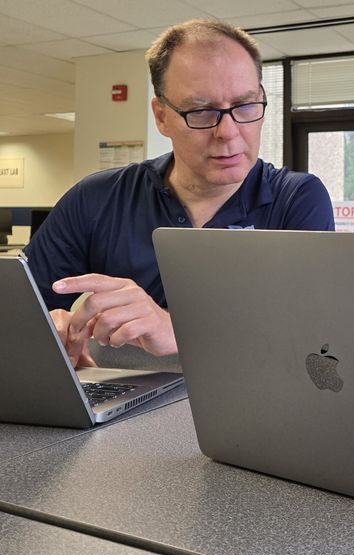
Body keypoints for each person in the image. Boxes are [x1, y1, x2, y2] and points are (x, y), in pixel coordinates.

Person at [24, 19, 334, 367]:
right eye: (202, 112)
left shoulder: (296, 200)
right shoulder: (96, 198)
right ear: (161, 117)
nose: (228, 132)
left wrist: (177, 330)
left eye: (245, 106)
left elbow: (313, 342)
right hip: (121, 409)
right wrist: (50, 332)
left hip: (247, 408)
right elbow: (21, 311)